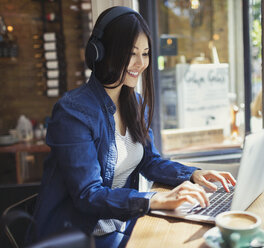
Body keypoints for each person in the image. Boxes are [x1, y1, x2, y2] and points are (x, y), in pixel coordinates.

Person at [28, 6, 235, 248]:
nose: (141, 63)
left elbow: (149, 161)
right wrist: (155, 199)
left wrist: (192, 174)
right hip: (80, 237)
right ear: (101, 52)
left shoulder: (134, 103)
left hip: (119, 226)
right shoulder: (72, 113)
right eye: (131, 53)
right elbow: (89, 195)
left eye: (145, 53)